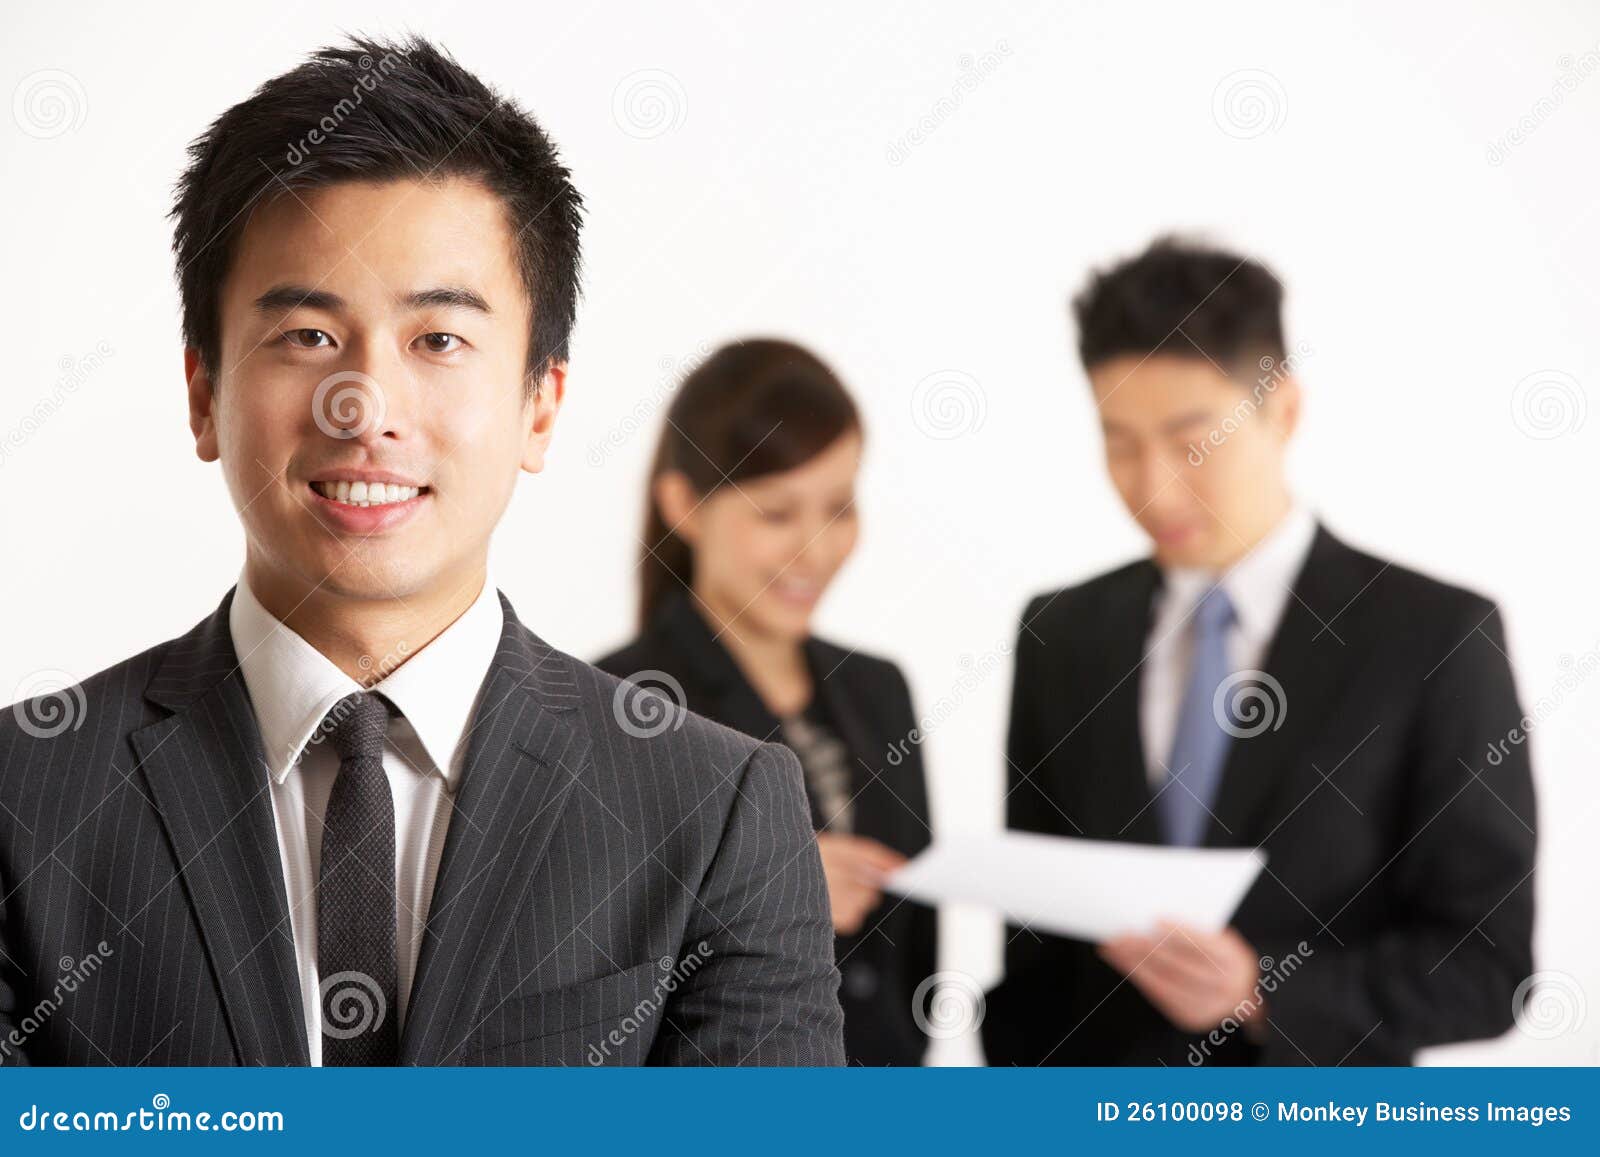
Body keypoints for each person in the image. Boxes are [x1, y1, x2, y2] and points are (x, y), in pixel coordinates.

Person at [0, 37, 844, 1067]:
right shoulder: (24, 798)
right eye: (308, 335)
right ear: (203, 391)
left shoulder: (712, 812)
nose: (366, 407)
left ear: (542, 403)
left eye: (438, 339)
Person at [982, 236, 1537, 1066]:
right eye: (1119, 440)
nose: (1153, 484)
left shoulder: (1434, 635)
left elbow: (1489, 965)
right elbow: (1034, 951)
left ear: (1282, 410)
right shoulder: (1061, 632)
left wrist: (1262, 992)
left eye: (1191, 439)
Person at [597, 339, 937, 1065]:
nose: (814, 550)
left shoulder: (879, 688)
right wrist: (766, 884)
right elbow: (589, 977)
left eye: (838, 508)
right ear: (684, 505)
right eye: (777, 512)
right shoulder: (615, 704)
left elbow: (918, 956)